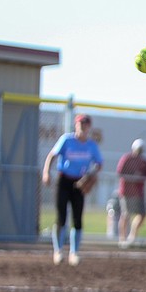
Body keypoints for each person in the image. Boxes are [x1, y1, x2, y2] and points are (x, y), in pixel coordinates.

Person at [42, 113, 103, 266]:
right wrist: (46, 172)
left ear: (89, 127)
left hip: (79, 183)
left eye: (86, 124)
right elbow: (52, 156)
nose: (83, 126)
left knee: (77, 218)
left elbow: (99, 164)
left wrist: (91, 176)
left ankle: (74, 253)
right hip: (64, 180)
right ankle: (58, 251)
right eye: (80, 124)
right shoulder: (67, 140)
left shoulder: (91, 145)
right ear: (76, 125)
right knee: (61, 216)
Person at [116, 138, 146, 248]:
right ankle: (122, 238)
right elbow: (120, 172)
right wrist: (132, 177)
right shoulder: (127, 159)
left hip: (138, 192)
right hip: (127, 192)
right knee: (126, 214)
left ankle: (132, 236)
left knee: (142, 214)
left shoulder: (143, 161)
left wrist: (140, 176)